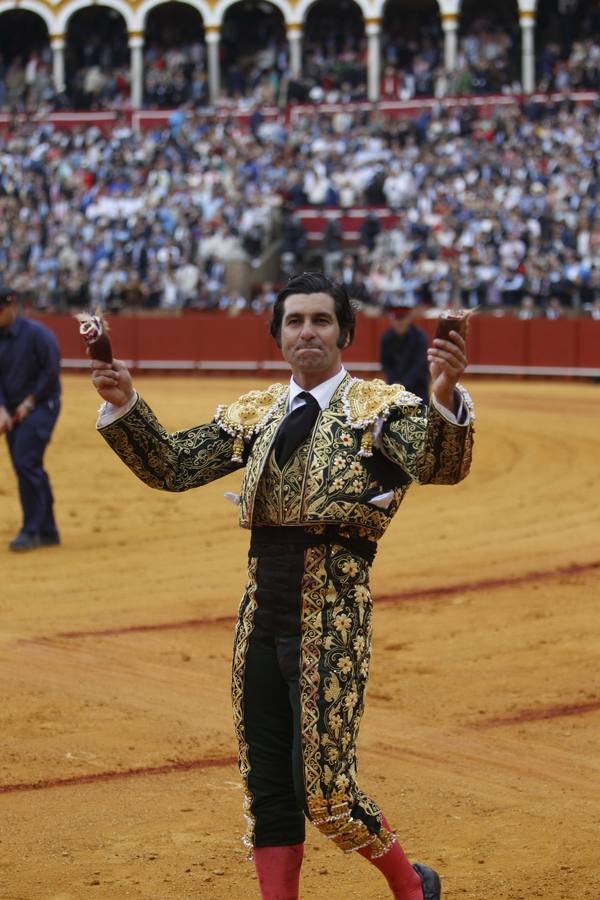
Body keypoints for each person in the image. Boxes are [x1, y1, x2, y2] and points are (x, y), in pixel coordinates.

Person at [89, 272, 474, 900]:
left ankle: (411, 887)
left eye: (321, 320)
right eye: (294, 321)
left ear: (345, 332)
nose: (308, 333)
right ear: (278, 336)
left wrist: (446, 393)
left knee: (327, 797)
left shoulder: (382, 409)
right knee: (268, 787)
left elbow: (442, 465)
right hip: (260, 617)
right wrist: (126, 403)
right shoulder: (257, 413)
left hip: (334, 620)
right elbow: (174, 465)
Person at [0, 286, 62, 551]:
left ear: (12, 305)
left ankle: (31, 529)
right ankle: (48, 529)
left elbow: (50, 372)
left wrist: (29, 402)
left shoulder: (38, 335)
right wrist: (1, 407)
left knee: (26, 462)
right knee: (27, 465)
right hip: (12, 410)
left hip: (41, 406)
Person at [380, 304, 430, 402]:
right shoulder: (386, 338)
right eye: (397, 319)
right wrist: (394, 382)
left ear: (408, 319)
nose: (400, 323)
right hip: (395, 386)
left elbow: (419, 364)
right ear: (392, 320)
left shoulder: (420, 337)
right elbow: (386, 363)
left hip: (417, 386)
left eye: (402, 319)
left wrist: (403, 384)